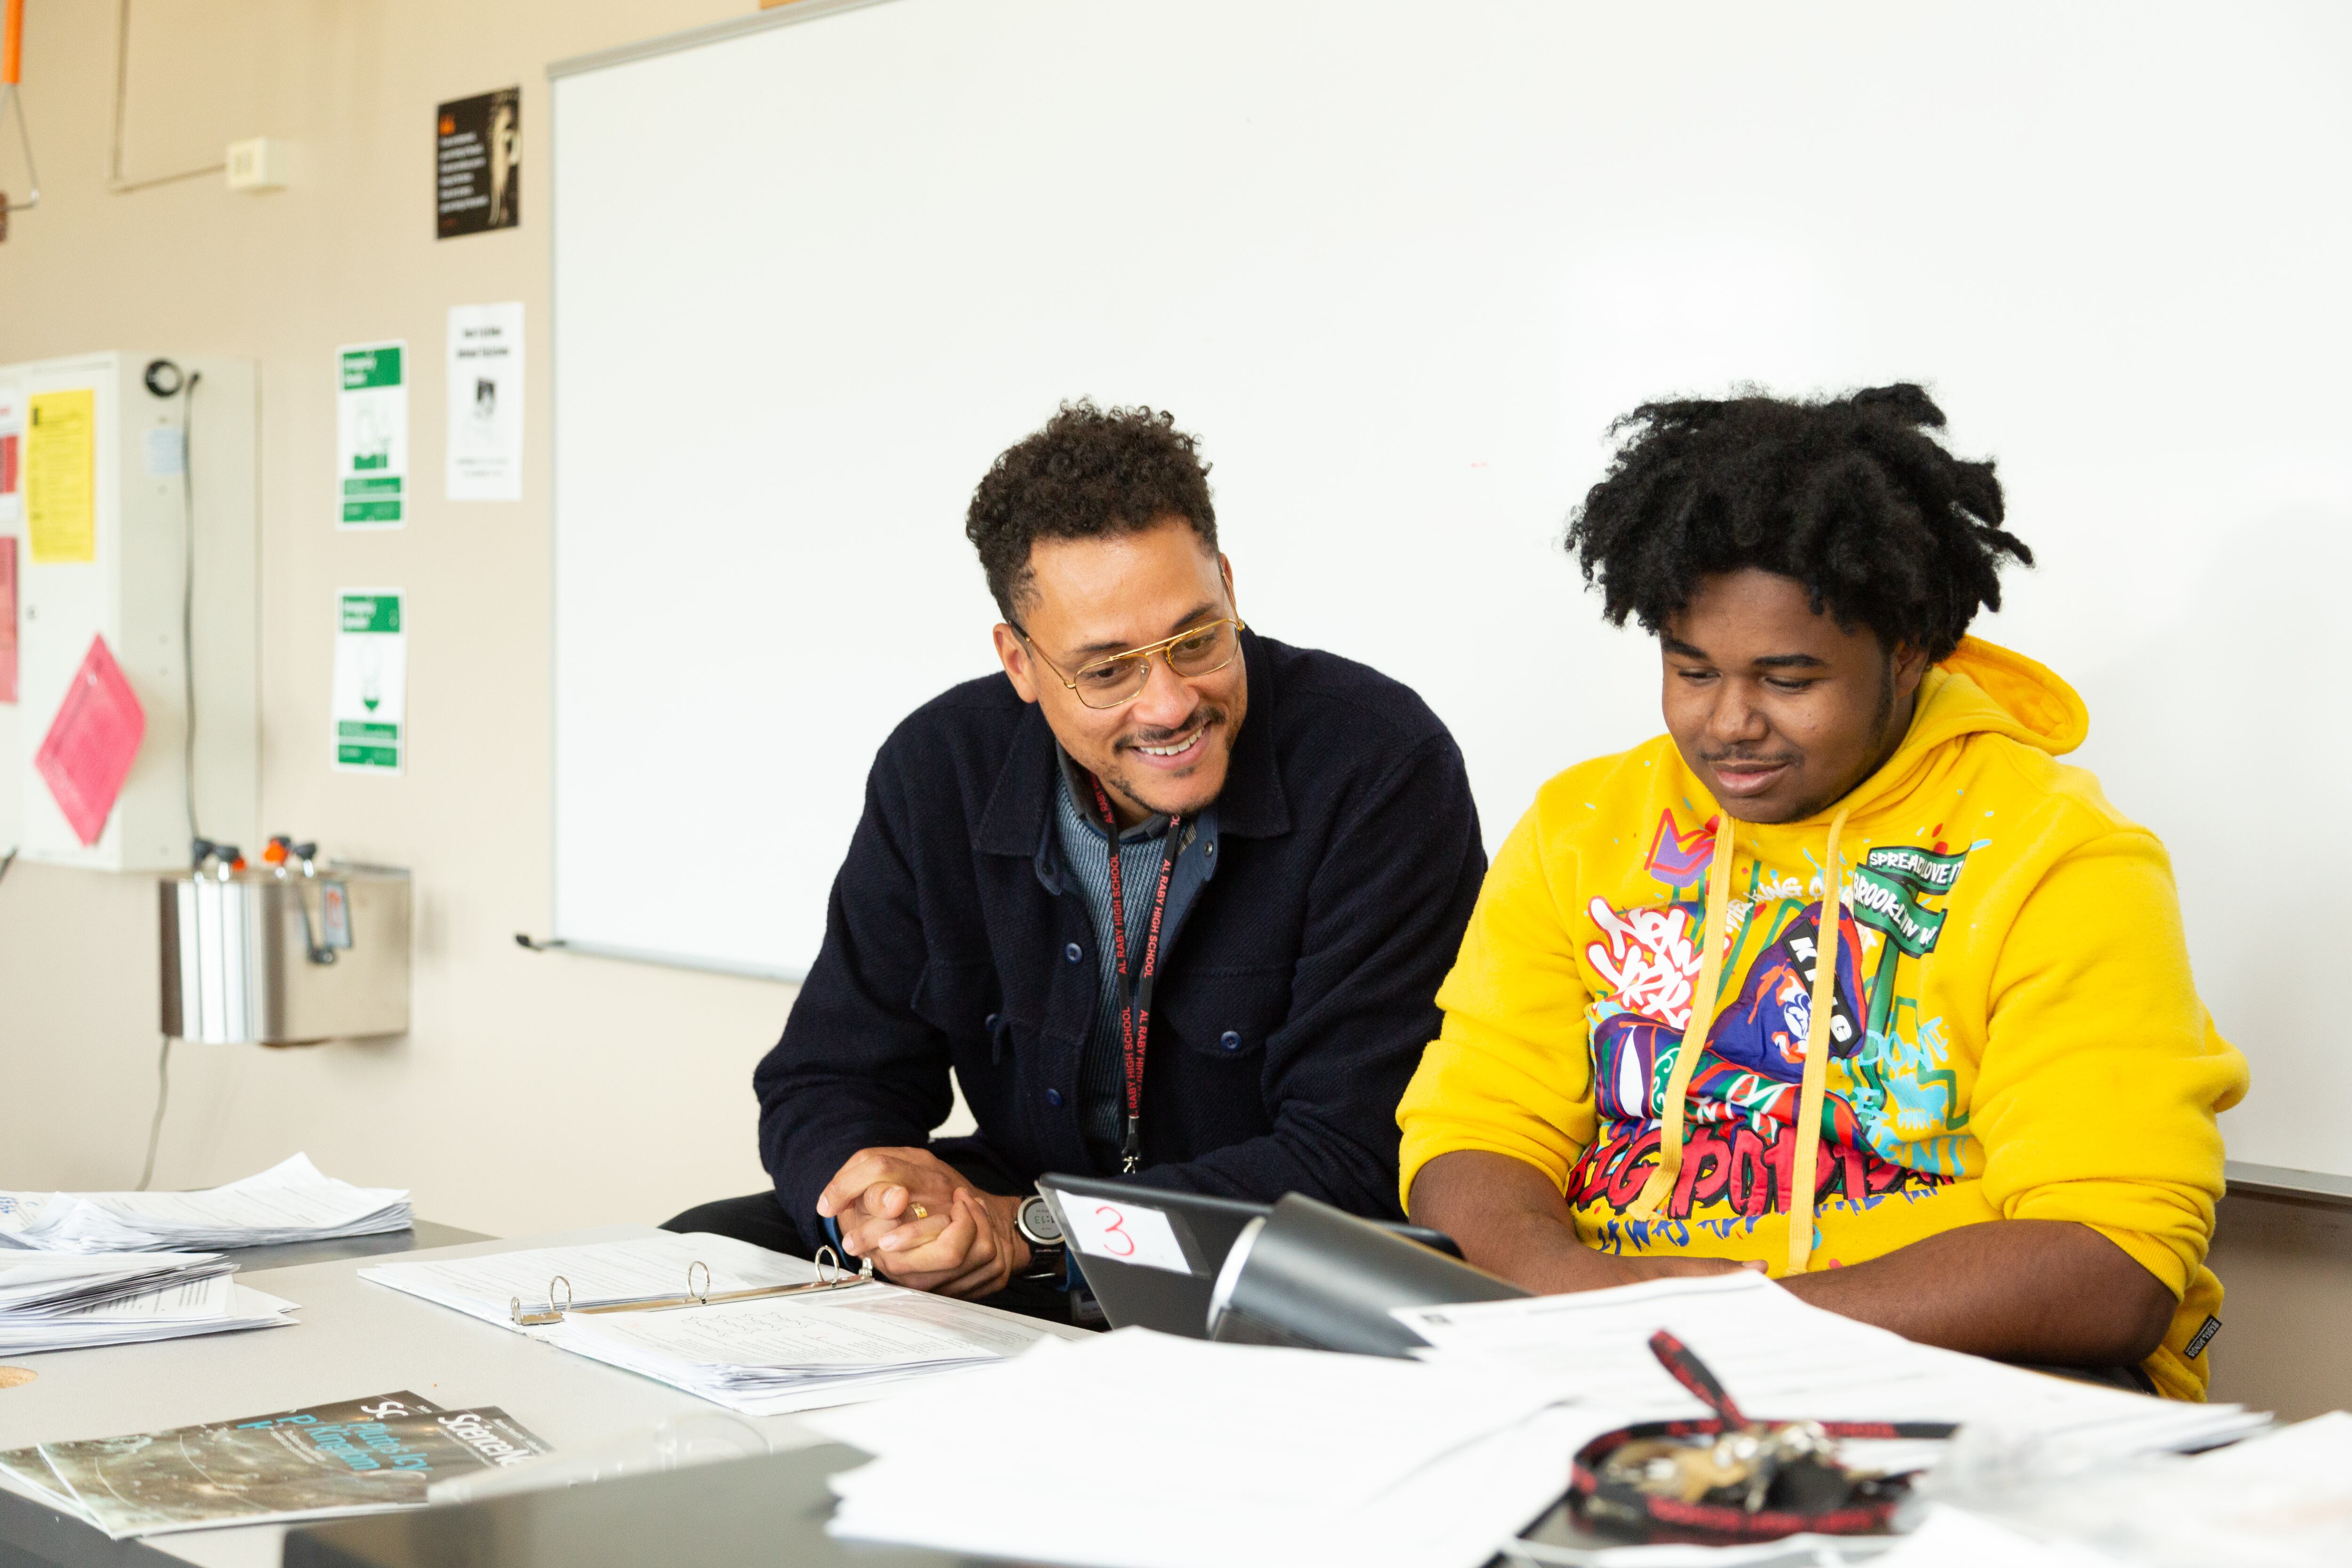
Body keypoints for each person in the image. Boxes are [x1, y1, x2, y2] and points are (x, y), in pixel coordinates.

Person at [1398, 384, 2248, 1399]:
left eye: (1788, 680)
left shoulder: (2060, 858)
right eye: (1692, 670)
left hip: (1960, 1376)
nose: (1729, 722)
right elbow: (1474, 1131)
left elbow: (2113, 1263)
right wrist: (1585, 1297)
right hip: (1616, 1356)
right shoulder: (1582, 827)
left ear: (1906, 647)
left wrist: (1728, 1328)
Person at [670, 401, 1486, 1321]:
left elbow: (1352, 1151)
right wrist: (883, 1203)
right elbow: (826, 1074)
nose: (1170, 702)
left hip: (1261, 1244)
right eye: (1107, 671)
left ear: (1226, 583)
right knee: (703, 1245)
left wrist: (1037, 1229)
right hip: (1025, 1198)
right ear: (1019, 661)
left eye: (1197, 638)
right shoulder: (938, 765)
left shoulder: (1378, 758)